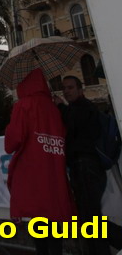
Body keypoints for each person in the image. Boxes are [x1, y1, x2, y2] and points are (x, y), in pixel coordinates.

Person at [5, 68, 75, 255]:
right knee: (54, 223)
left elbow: (11, 143)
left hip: (33, 175)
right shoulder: (53, 108)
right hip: (55, 173)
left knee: (39, 223)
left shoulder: (23, 105)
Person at [56, 75, 118, 255]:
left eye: (70, 87)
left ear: (80, 89)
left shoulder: (84, 107)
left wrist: (60, 107)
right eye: (64, 88)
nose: (66, 91)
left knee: (90, 219)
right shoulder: (77, 108)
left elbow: (75, 124)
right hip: (83, 167)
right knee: (88, 218)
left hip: (86, 166)